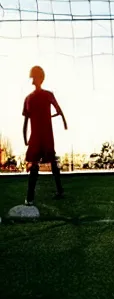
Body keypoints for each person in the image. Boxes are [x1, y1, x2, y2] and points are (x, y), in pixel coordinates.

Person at [23, 66, 67, 205]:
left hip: (44, 136)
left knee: (52, 161)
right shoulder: (29, 98)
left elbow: (59, 111)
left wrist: (63, 120)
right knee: (35, 165)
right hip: (37, 136)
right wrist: (25, 136)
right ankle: (30, 198)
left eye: (34, 77)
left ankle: (59, 191)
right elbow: (26, 120)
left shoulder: (47, 95)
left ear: (40, 78)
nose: (33, 80)